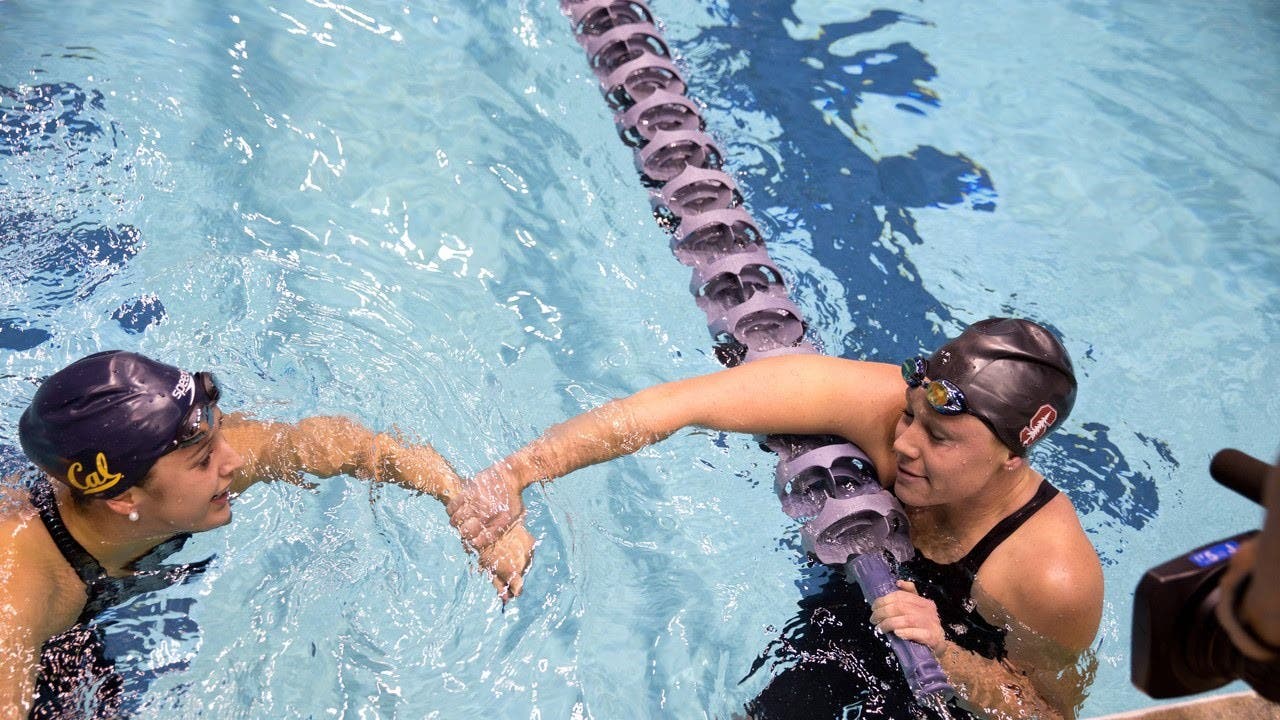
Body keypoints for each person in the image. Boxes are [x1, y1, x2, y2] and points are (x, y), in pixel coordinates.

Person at [449, 317, 1104, 719]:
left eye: (940, 439)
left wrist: (947, 658)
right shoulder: (878, 408)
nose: (904, 443)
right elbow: (670, 407)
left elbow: (1047, 712)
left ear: (1013, 457)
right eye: (910, 416)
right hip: (849, 613)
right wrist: (515, 477)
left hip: (949, 679)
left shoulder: (1048, 575)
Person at [0, 350, 533, 718]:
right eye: (205, 458)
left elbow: (346, 446)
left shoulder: (175, 473)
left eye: (219, 433)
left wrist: (473, 506)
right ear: (123, 498)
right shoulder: (16, 596)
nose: (233, 460)